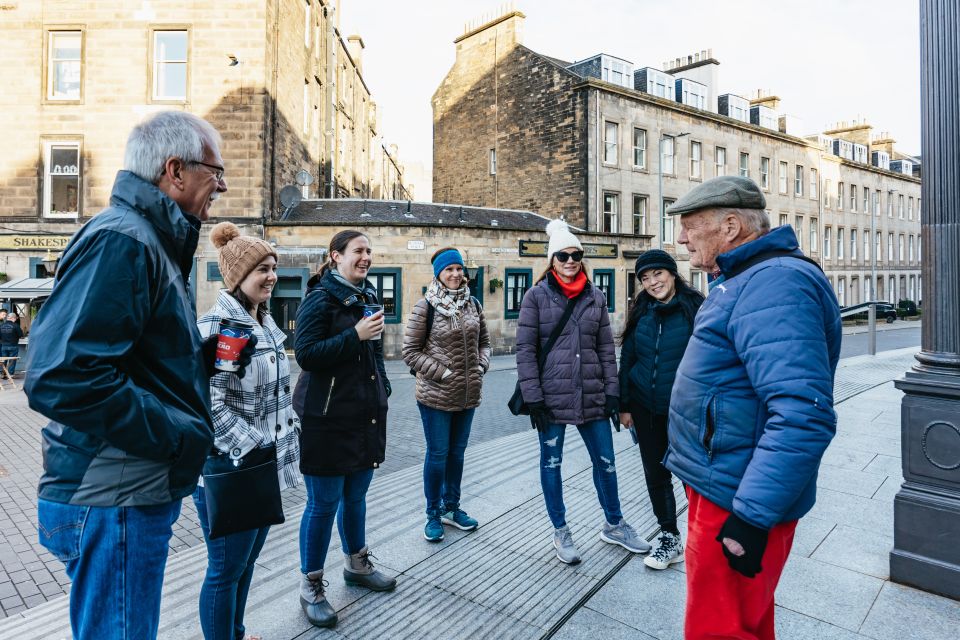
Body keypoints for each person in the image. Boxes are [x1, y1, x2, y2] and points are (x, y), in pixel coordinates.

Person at [24, 111, 254, 640]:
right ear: (174, 170)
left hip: (122, 492)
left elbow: (128, 361)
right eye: (213, 171)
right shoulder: (124, 238)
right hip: (113, 496)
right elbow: (61, 374)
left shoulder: (147, 238)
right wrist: (176, 437)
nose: (221, 184)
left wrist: (199, 357)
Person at [662, 176, 841, 640]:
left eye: (689, 225)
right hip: (724, 482)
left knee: (717, 629)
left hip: (736, 497)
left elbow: (803, 411)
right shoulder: (744, 279)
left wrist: (752, 515)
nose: (681, 238)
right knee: (746, 623)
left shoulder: (773, 283)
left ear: (731, 226)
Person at [516, 219, 652, 564]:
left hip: (592, 395)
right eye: (563, 255)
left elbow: (607, 349)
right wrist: (533, 399)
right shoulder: (535, 297)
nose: (571, 260)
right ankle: (561, 530)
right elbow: (525, 351)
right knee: (552, 463)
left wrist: (613, 394)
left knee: (606, 462)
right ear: (552, 260)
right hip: (550, 398)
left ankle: (614, 523)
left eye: (576, 254)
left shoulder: (595, 297)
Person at [193, 222, 302, 640]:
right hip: (232, 468)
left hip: (260, 467)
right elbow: (210, 404)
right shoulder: (223, 328)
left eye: (273, 267)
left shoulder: (263, 323)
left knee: (245, 561)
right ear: (238, 277)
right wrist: (257, 446)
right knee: (224, 569)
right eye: (262, 269)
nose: (272, 276)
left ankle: (235, 632)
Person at [293, 229, 396, 629]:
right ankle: (311, 585)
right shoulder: (319, 299)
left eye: (369, 251)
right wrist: (353, 335)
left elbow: (375, 352)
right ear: (335, 256)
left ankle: (356, 563)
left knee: (356, 497)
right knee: (323, 503)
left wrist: (383, 387)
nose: (366, 257)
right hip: (325, 418)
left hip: (364, 414)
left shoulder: (367, 297)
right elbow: (306, 355)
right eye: (358, 250)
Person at [618, 249, 704, 570]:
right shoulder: (641, 311)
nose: (653, 282)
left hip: (685, 411)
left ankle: (701, 536)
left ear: (671, 273)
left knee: (690, 476)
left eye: (658, 274)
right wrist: (624, 406)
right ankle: (669, 536)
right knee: (656, 475)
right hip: (645, 409)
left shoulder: (694, 308)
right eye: (645, 278)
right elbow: (628, 361)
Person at [402, 247, 491, 542]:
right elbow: (410, 352)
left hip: (467, 395)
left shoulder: (473, 304)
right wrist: (443, 373)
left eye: (458, 269)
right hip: (436, 396)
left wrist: (481, 365)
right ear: (438, 274)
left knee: (457, 454)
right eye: (448, 270)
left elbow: (485, 342)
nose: (455, 274)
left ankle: (452, 508)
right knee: (438, 455)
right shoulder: (425, 307)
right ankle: (432, 514)